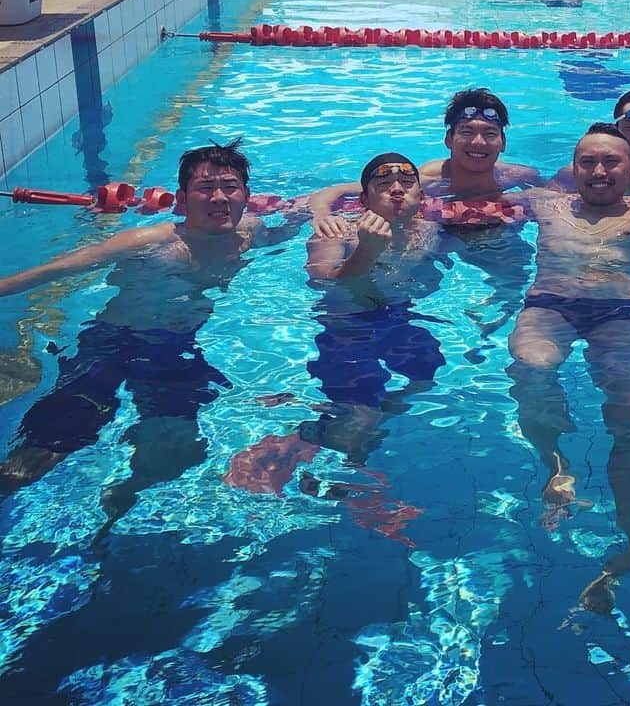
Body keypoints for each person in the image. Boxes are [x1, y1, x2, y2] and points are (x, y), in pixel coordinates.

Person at [0, 141, 293, 519]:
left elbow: (297, 221)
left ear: (246, 196)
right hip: (112, 342)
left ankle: (125, 494)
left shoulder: (250, 232)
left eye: (229, 187)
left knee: (180, 445)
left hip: (175, 347)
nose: (219, 197)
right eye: (205, 188)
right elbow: (55, 271)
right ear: (183, 200)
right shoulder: (150, 244)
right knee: (54, 440)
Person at [506, 123, 630, 613]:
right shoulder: (543, 203)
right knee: (530, 366)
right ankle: (556, 467)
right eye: (588, 162)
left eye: (610, 162)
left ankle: (629, 520)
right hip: (548, 307)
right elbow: (443, 191)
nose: (598, 171)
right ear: (572, 169)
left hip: (620, 313)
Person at [225, 153, 445, 544]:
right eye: (382, 185)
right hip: (346, 329)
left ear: (421, 196)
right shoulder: (337, 232)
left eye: (406, 183)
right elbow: (324, 283)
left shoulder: (427, 231)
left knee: (426, 379)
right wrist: (366, 251)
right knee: (360, 415)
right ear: (364, 201)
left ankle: (334, 427)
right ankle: (336, 473)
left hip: (397, 321)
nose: (396, 189)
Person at [308, 88, 540, 237]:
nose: (478, 142)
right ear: (449, 140)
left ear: (503, 143)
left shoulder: (520, 177)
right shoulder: (427, 179)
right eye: (467, 132)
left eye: (490, 134)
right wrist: (321, 215)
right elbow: (333, 192)